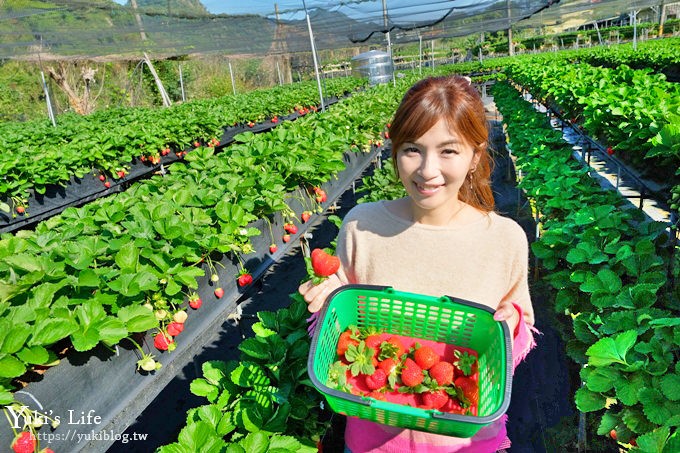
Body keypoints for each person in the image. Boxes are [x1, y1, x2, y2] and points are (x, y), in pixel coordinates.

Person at [300, 74, 538, 453]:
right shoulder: (363, 225)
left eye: (448, 151)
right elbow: (341, 330)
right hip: (372, 437)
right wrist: (326, 298)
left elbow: (521, 331)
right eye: (413, 149)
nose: (428, 170)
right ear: (394, 149)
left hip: (465, 439)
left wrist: (510, 327)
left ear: (475, 156)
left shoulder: (503, 239)